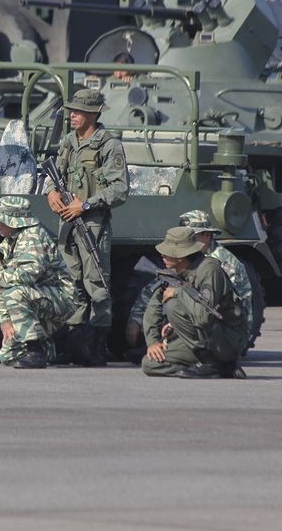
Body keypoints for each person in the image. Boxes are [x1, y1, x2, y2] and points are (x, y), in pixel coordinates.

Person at [45, 88, 130, 366]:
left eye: (79, 111)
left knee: (97, 283)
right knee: (70, 282)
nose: (72, 115)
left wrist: (86, 204)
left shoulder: (109, 145)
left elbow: (119, 190)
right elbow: (54, 174)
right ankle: (74, 341)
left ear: (94, 113)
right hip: (67, 223)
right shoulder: (69, 141)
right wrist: (51, 193)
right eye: (72, 110)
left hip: (93, 223)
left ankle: (95, 345)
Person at [0, 196, 76, 369]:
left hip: (61, 298)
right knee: (7, 356)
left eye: (1, 221)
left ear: (14, 221)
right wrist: (5, 322)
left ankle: (35, 351)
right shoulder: (7, 241)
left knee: (15, 293)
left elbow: (27, 275)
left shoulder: (32, 236)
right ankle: (52, 347)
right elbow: (0, 285)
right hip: (36, 297)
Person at [127, 210, 256, 353]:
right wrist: (136, 319)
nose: (186, 241)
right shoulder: (185, 256)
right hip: (199, 321)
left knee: (174, 305)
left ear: (207, 235)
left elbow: (222, 307)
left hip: (223, 327)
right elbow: (157, 287)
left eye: (192, 236)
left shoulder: (224, 265)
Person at [141, 227, 248, 379]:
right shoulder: (173, 274)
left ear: (181, 256)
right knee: (150, 364)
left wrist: (178, 293)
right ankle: (217, 368)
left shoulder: (209, 270)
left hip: (226, 337)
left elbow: (204, 316)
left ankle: (213, 364)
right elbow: (153, 309)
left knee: (173, 306)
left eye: (168, 251)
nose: (162, 254)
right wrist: (153, 342)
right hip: (200, 339)